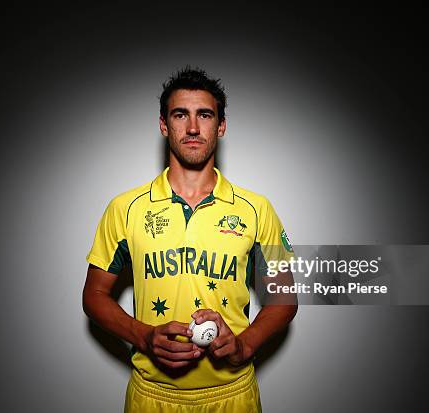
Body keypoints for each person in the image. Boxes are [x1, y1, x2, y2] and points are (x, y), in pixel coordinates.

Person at [83, 67, 297, 412]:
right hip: (152, 396)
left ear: (221, 126)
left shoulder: (258, 209)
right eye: (180, 115)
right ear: (164, 125)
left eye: (205, 115)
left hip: (232, 394)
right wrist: (143, 336)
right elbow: (93, 295)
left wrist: (244, 346)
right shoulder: (124, 208)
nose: (193, 127)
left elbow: (285, 297)